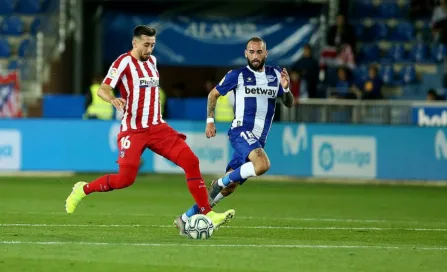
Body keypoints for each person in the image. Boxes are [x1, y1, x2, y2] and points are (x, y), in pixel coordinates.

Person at [65, 25, 235, 230]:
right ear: (134, 43)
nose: (149, 50)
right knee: (125, 180)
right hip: (133, 130)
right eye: (146, 45)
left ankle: (208, 214)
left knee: (191, 161)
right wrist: (113, 100)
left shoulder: (153, 61)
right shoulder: (123, 62)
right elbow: (103, 88)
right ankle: (83, 189)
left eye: (153, 45)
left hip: (157, 127)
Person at [173, 36, 294, 235]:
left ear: (266, 53)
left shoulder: (275, 75)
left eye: (259, 52)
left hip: (257, 139)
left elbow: (289, 103)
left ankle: (184, 218)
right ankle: (219, 182)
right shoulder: (236, 75)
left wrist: (287, 88)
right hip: (240, 131)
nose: (255, 56)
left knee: (229, 188)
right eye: (251, 52)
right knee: (262, 165)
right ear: (245, 53)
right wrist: (210, 121)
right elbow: (213, 94)